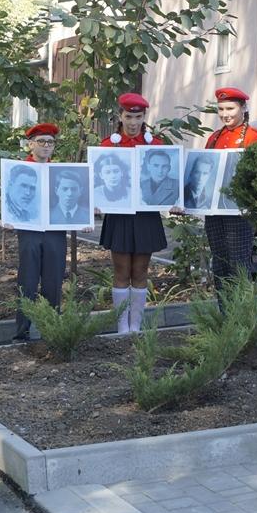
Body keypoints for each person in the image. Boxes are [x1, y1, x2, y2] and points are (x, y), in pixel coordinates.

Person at [98, 92, 166, 333]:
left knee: (140, 270)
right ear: (120, 116)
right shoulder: (108, 145)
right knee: (120, 270)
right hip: (119, 216)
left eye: (138, 116)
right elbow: (99, 179)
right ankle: (121, 326)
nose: (133, 122)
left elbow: (165, 179)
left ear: (144, 116)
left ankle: (135, 324)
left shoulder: (155, 145)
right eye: (129, 116)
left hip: (145, 216)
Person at [9, 123, 67, 341]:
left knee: (53, 280)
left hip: (54, 231)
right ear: (31, 144)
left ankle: (51, 330)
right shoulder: (18, 170)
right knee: (28, 280)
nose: (46, 146)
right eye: (41, 141)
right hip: (30, 230)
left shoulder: (60, 173)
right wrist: (8, 218)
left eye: (50, 142)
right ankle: (22, 332)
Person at [203, 87, 257, 291]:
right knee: (219, 263)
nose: (224, 114)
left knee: (239, 265)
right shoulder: (214, 138)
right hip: (214, 210)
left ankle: (242, 317)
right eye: (220, 109)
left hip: (239, 211)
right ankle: (225, 316)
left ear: (243, 108)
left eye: (230, 108)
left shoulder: (253, 137)